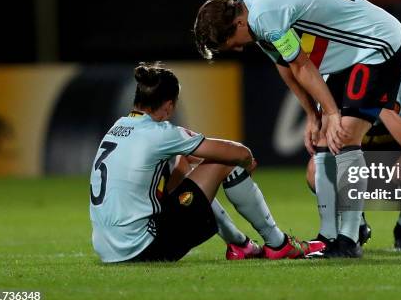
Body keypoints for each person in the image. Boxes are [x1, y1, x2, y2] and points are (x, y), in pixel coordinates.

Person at [194, 0, 401, 258]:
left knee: (344, 135)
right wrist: (313, 116)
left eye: (230, 44)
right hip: (350, 51)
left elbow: (301, 64)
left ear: (237, 25)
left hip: (379, 44)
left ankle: (349, 239)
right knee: (323, 136)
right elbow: (285, 65)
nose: (236, 49)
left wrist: (331, 113)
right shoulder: (249, 9)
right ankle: (329, 236)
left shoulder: (264, 17)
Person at [89, 62, 324, 263]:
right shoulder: (160, 133)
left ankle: (241, 245)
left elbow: (182, 165)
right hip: (143, 247)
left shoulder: (117, 128)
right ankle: (278, 243)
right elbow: (236, 152)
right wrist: (247, 161)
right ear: (169, 105)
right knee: (226, 163)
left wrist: (189, 167)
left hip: (107, 249)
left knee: (186, 170)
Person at [306, 61, 401, 250]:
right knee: (315, 169)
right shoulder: (334, 66)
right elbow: (326, 136)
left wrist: (378, 102)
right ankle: (355, 223)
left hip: (392, 164)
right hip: (353, 159)